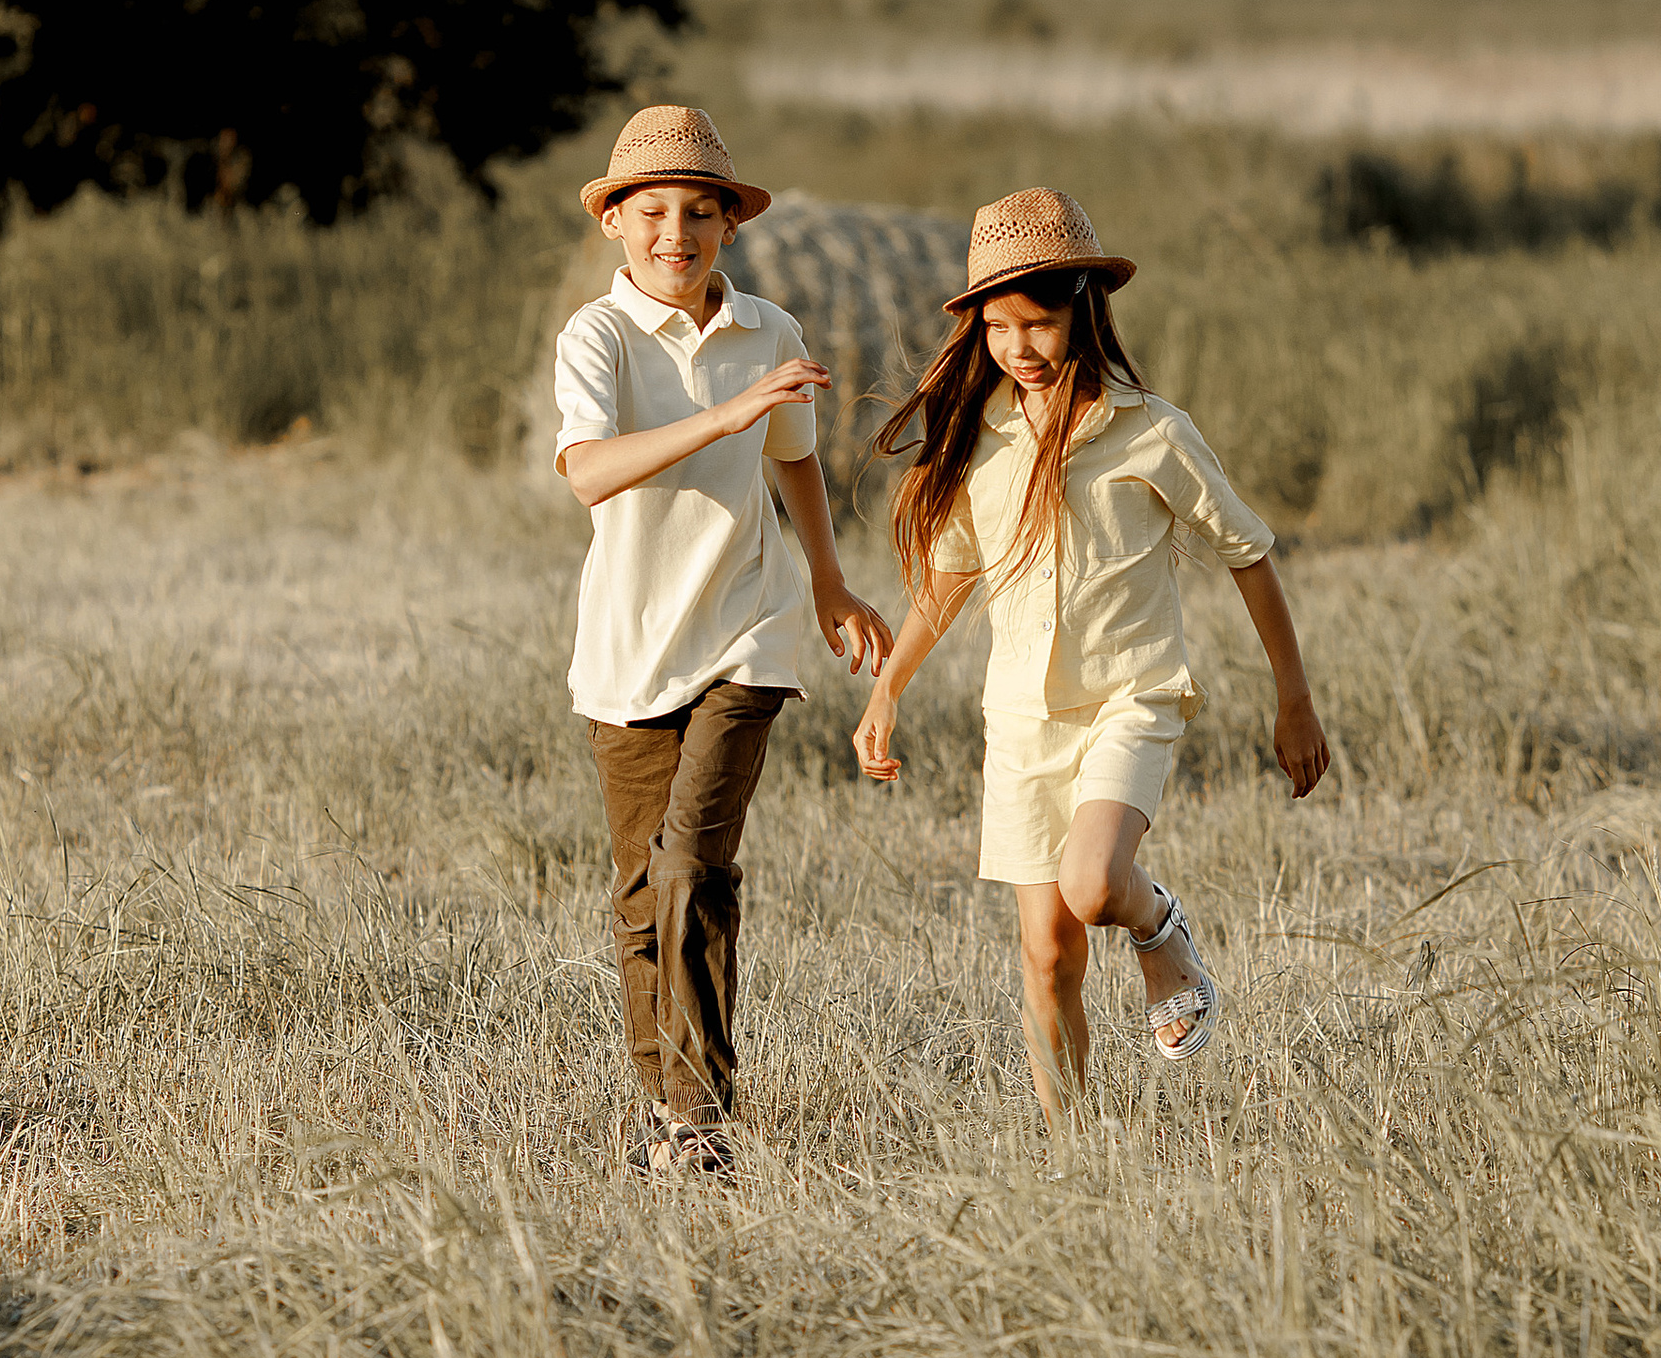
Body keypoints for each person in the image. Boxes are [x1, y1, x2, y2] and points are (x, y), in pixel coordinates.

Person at [852, 187, 1328, 1120]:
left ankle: (1162, 933)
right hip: (1021, 720)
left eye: (1038, 323)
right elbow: (949, 577)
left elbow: (1250, 554)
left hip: (1130, 698)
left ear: (1084, 308)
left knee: (1096, 883)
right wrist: (888, 689)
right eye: (998, 327)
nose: (1018, 347)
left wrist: (1295, 699)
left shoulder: (1152, 430)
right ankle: (1070, 1153)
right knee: (1048, 954)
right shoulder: (981, 438)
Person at [554, 104, 893, 1180]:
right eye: (653, 211)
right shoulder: (595, 337)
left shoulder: (769, 331)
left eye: (700, 212)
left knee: (695, 863)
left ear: (729, 226)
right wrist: (725, 415)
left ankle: (702, 1118)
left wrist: (829, 583)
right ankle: (665, 1113)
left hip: (749, 627)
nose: (677, 233)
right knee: (640, 892)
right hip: (629, 645)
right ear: (614, 221)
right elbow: (589, 472)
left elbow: (795, 458)